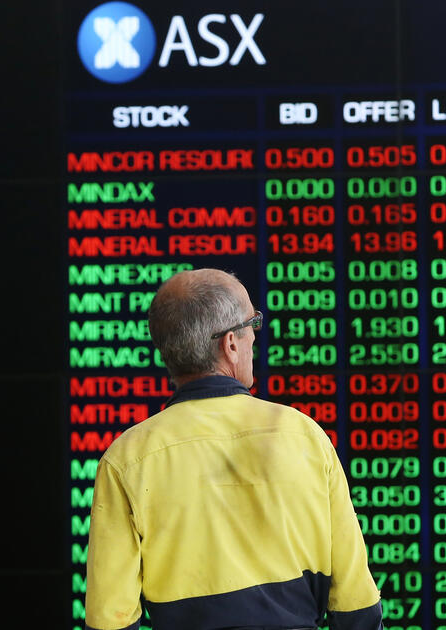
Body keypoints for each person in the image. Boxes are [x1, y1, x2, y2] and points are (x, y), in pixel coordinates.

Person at [84, 268, 383, 630]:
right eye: (252, 324)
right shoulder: (305, 436)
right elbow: (356, 605)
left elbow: (109, 621)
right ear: (230, 343)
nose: (254, 338)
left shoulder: (126, 460)